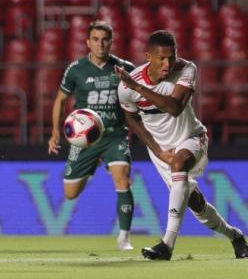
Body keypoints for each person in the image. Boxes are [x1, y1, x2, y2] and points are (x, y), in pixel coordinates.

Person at [116, 30, 248, 260]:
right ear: (148, 56)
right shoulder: (126, 87)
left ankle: (166, 244)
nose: (168, 63)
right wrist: (158, 151)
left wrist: (139, 88)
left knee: (180, 161)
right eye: (161, 58)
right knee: (196, 205)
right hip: (161, 151)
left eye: (171, 56)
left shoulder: (186, 69)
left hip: (192, 138)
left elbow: (175, 108)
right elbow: (132, 119)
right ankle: (235, 236)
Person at [48, 21, 136, 250]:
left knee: (123, 178)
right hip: (85, 139)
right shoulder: (76, 69)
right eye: (95, 39)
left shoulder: (123, 67)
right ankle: (93, 165)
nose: (100, 44)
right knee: (70, 193)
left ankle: (124, 237)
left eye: (105, 39)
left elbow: (140, 98)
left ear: (111, 42)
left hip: (115, 135)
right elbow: (60, 99)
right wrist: (55, 132)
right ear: (88, 42)